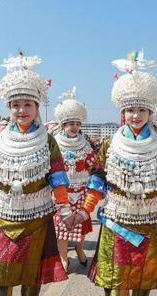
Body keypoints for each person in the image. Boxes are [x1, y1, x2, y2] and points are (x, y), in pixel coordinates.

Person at [67, 51, 157, 296]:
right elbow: (97, 179)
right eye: (130, 110)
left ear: (151, 111)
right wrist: (85, 212)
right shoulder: (109, 144)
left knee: (143, 282)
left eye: (142, 110)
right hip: (117, 223)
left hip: (151, 225)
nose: (136, 116)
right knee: (116, 285)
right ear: (122, 111)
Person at [0, 53, 69, 296]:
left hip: (37, 217)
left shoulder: (48, 140)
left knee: (32, 277)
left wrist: (64, 208)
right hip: (2, 215)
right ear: (9, 108)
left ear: (36, 107)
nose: (21, 111)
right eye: (15, 105)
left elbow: (57, 177)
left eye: (27, 105)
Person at [52, 87, 97, 270]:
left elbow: (93, 164)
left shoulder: (86, 144)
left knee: (82, 224)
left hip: (81, 192)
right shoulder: (54, 143)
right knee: (61, 229)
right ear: (63, 124)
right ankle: (63, 257)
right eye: (70, 123)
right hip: (61, 193)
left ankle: (80, 250)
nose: (74, 127)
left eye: (77, 124)